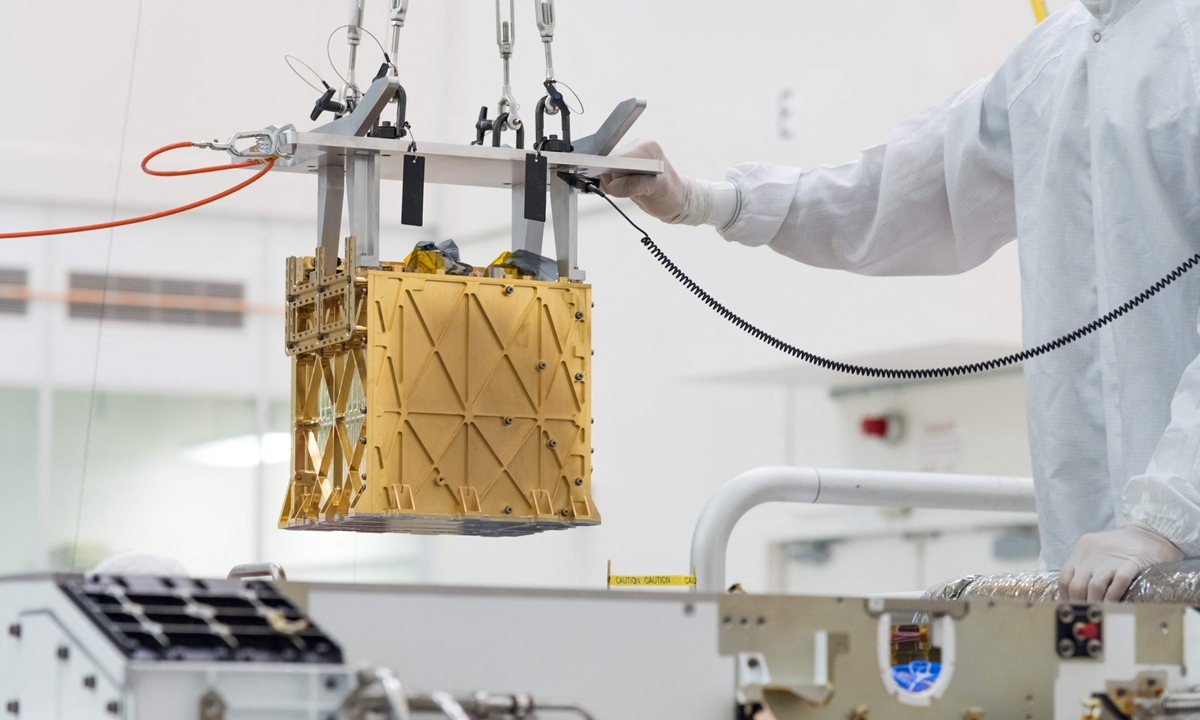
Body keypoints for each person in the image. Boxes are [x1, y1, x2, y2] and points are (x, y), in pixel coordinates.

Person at [601, 0, 1200, 603]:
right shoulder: (1051, 62)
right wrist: (703, 201)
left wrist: (1164, 521)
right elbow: (897, 194)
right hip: (1093, 578)